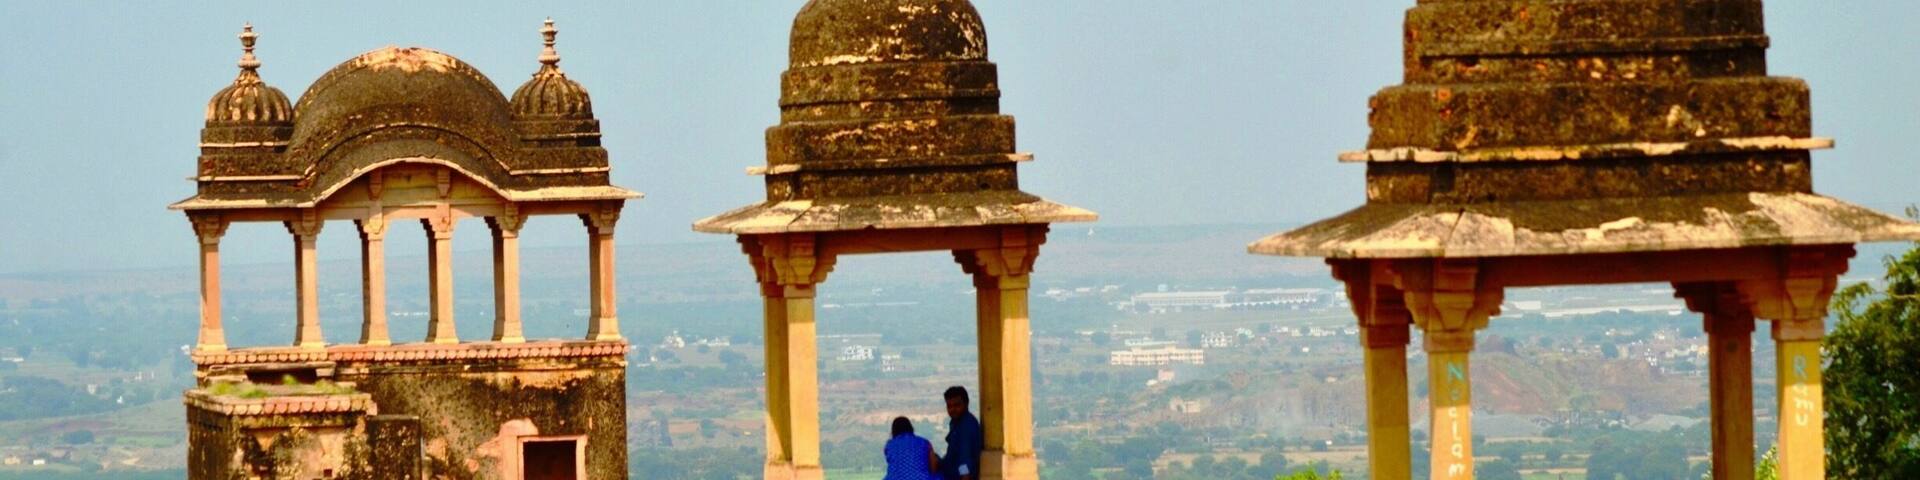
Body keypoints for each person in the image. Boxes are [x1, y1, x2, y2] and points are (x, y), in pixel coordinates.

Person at [938, 386, 983, 480]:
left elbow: (965, 458)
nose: (953, 410)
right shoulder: (956, 423)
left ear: (966, 404)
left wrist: (965, 476)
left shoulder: (967, 426)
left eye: (957, 405)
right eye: (949, 406)